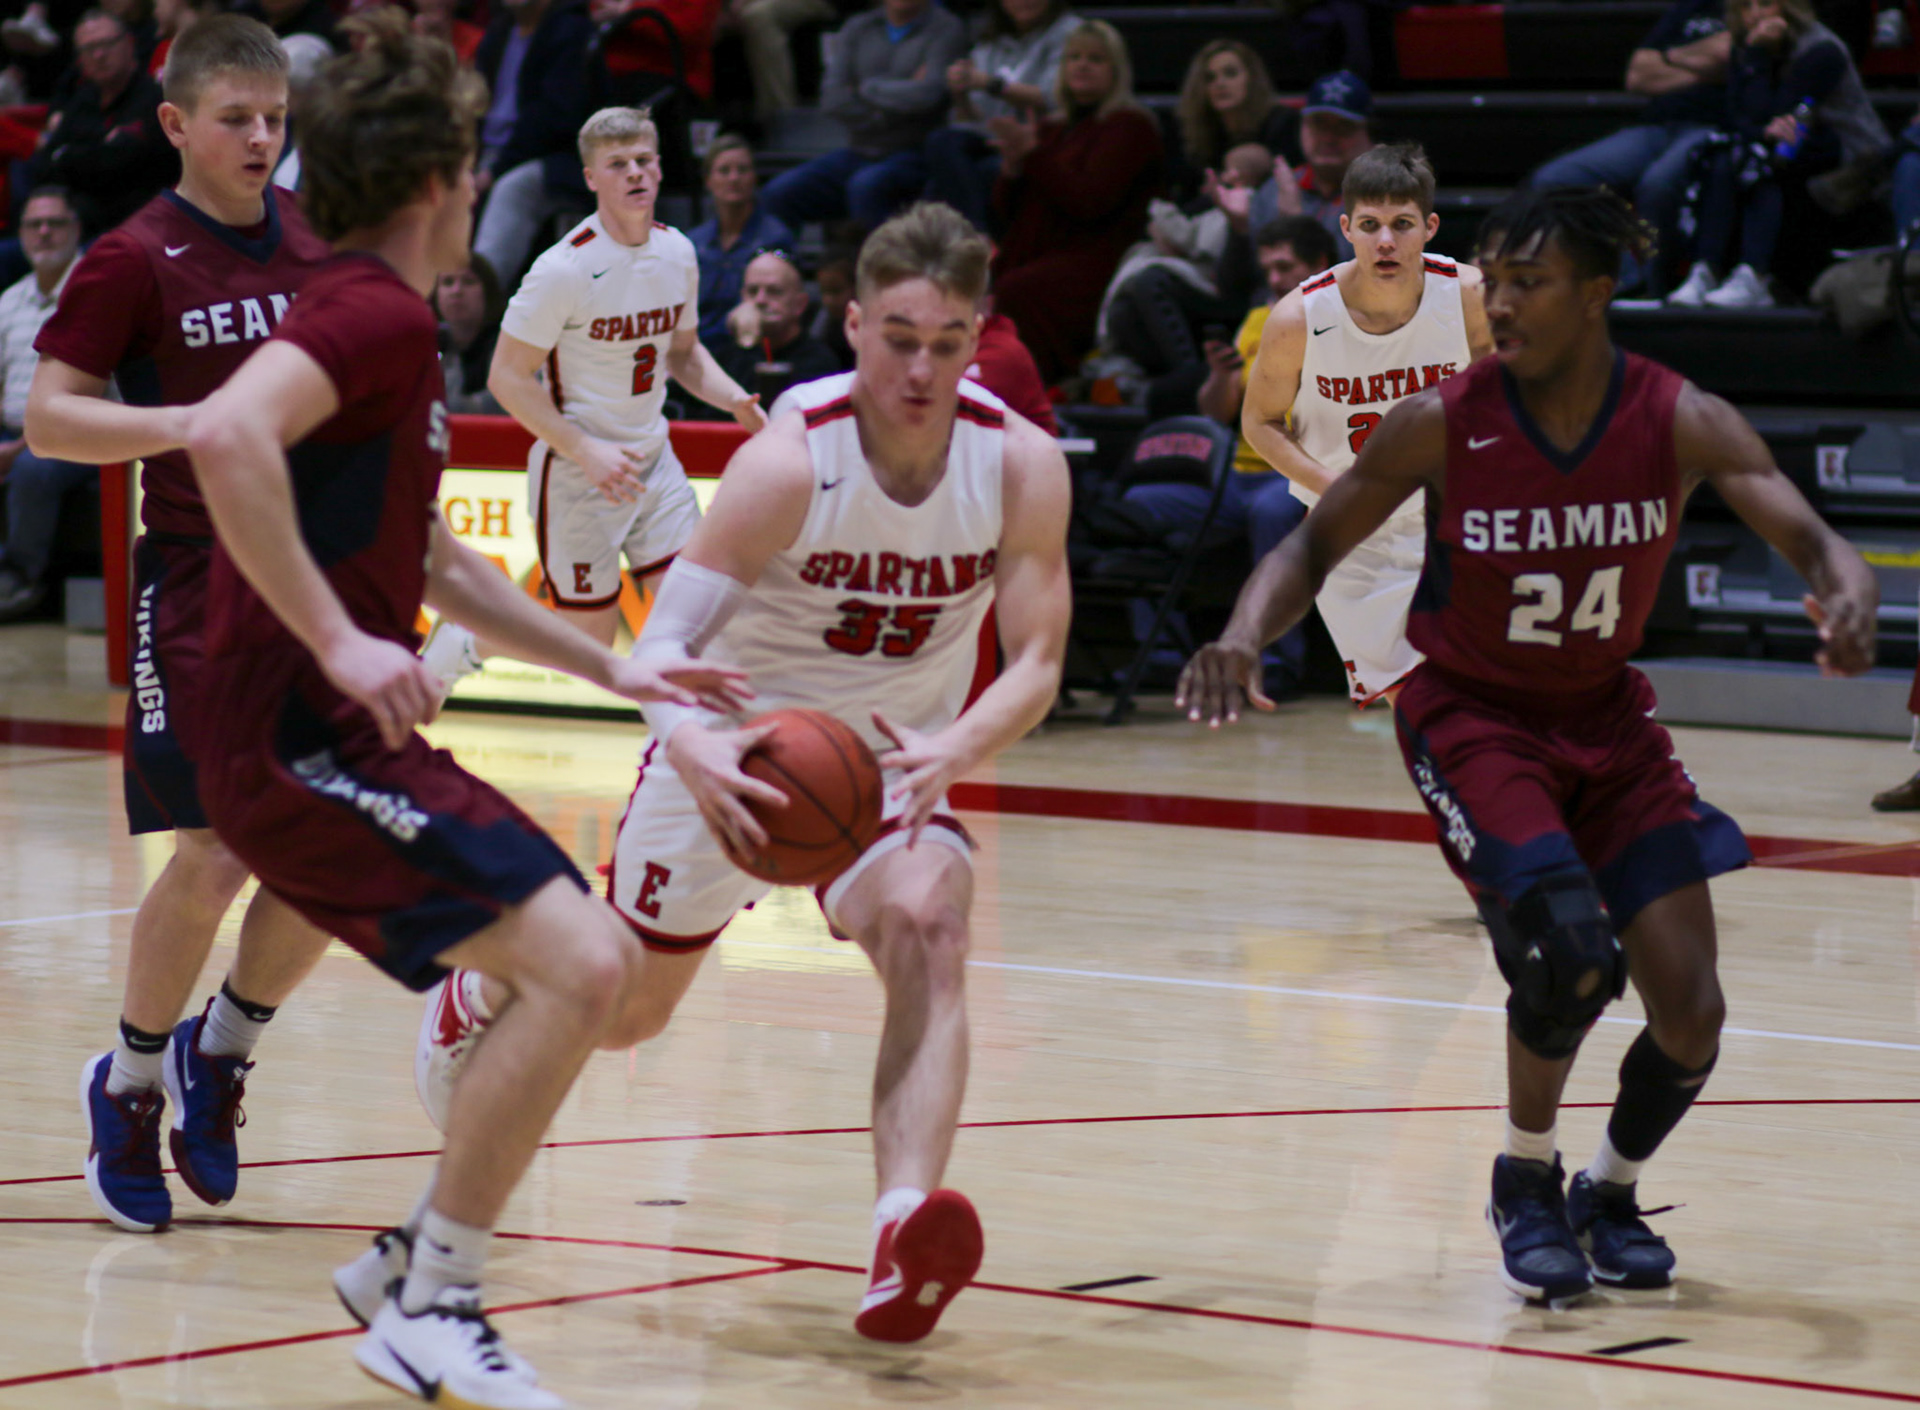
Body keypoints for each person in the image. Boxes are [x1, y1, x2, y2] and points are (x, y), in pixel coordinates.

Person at [180, 17, 746, 1406]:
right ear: (439, 182)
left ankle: (410, 1270)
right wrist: (329, 635)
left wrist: (619, 668)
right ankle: (433, 1294)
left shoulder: (377, 322)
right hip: (294, 737)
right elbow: (224, 434)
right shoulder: (367, 314)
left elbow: (434, 556)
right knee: (588, 965)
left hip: (326, 737)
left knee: (583, 959)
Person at [1180, 185, 1877, 1304]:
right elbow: (1311, 546)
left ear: (1597, 295)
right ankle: (1522, 1176)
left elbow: (1809, 534)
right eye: (1491, 279)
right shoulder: (1443, 419)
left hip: (1608, 721)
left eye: (1528, 281)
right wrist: (1238, 635)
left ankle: (1606, 1190)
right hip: (1474, 717)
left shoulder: (1676, 414)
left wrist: (1845, 600)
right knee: (1567, 950)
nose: (1498, 301)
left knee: (1692, 1012)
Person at [416, 200, 1073, 1346]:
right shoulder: (788, 463)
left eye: (950, 342)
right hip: (734, 750)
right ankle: (479, 991)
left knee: (931, 923)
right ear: (854, 324)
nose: (923, 367)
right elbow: (662, 648)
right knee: (625, 1020)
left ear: (980, 337)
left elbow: (1040, 663)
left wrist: (960, 747)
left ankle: (900, 1228)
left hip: (887, 769)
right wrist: (701, 747)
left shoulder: (1016, 466)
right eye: (902, 337)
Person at [25, 16, 335, 1237]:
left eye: (275, 117)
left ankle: (226, 1051)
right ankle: (132, 1083)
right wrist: (179, 429)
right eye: (236, 119)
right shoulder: (134, 258)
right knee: (212, 851)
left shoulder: (314, 246)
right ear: (175, 126)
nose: (261, 138)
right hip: (201, 589)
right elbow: (49, 418)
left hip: (312, 590)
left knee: (324, 854)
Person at [421, 105, 766, 695]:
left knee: (702, 616)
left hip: (653, 463)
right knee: (588, 641)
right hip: (580, 475)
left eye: (643, 160)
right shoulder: (564, 269)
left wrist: (735, 400)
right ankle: (466, 641)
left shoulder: (679, 252)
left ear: (660, 169)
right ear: (591, 178)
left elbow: (681, 353)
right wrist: (586, 451)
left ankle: (687, 743)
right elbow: (507, 378)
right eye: (617, 164)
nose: (634, 173)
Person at [1240, 144, 1492, 707]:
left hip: (1454, 524)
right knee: (1427, 711)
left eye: (1402, 224)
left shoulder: (1471, 296)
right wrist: (1340, 490)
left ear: (1428, 227)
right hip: (1356, 540)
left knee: (1491, 704)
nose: (1386, 241)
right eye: (1371, 225)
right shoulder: (1299, 317)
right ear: (1346, 228)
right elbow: (1259, 422)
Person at [1115, 213, 1335, 691]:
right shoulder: (1258, 318)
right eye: (1268, 270)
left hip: (1296, 476)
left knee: (1273, 510)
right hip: (1233, 477)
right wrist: (1219, 375)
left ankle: (1277, 665)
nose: (1274, 280)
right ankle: (1160, 653)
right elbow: (1217, 413)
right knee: (1140, 507)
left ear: (1319, 264)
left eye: (1284, 267)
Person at [1669, 0, 1889, 309]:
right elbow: (1737, 116)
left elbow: (1771, 111)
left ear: (1789, 7)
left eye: (1766, 3)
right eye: (1746, 6)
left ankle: (1754, 276)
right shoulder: (1744, 47)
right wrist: (1760, 128)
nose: (1756, 14)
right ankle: (1706, 270)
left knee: (1765, 161)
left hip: (1850, 160)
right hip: (1790, 145)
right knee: (1724, 157)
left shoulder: (1822, 50)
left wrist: (1757, 56)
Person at [989, 17, 1163, 384]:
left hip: (1096, 259)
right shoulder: (1051, 128)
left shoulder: (1131, 126)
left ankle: (1039, 390)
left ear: (1115, 71)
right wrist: (1012, 169)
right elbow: (1006, 214)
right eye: (1074, 57)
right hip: (1040, 252)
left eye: (1096, 59)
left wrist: (1033, 156)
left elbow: (1090, 202)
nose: (1082, 65)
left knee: (1019, 290)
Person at [1531, 0, 1730, 296]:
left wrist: (1670, 60)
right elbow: (1638, 75)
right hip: (1658, 127)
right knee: (1555, 180)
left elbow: (1731, 58)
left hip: (1716, 127)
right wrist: (1706, 67)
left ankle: (1653, 287)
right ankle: (1627, 277)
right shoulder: (1690, 8)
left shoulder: (1756, 10)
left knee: (1658, 184)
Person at [759, 0, 966, 233]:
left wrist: (865, 88)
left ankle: (882, 268)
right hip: (860, 150)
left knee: (867, 186)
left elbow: (928, 95)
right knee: (778, 193)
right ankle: (777, 266)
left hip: (916, 153)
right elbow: (832, 99)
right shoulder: (858, 27)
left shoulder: (946, 28)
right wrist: (896, 101)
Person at [0, 185, 91, 621]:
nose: (44, 233)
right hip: (12, 432)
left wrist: (16, 450)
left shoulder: (97, 292)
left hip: (80, 434)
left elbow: (88, 395)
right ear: (20, 234)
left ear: (75, 230)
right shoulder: (9, 300)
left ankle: (21, 579)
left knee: (31, 467)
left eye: (54, 223)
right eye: (34, 225)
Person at [923, 0, 1076, 233]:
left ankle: (975, 240)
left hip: (1041, 140)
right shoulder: (990, 39)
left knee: (969, 178)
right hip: (992, 136)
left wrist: (993, 85)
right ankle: (976, 237)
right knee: (941, 142)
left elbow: (1053, 98)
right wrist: (960, 94)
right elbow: (970, 120)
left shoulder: (1070, 32)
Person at [469, 0, 593, 285]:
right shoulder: (497, 33)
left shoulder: (569, 30)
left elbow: (551, 118)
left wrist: (494, 170)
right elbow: (473, 107)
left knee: (511, 189)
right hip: (488, 152)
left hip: (554, 157)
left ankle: (477, 301)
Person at [29, 9, 177, 233]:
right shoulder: (81, 102)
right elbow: (45, 165)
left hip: (140, 226)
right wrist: (98, 151)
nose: (99, 55)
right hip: (76, 227)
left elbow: (126, 166)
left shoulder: (154, 100)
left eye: (107, 44)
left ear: (129, 44)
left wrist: (68, 156)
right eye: (89, 49)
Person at [1244, 69, 1377, 264]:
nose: (1328, 138)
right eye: (1318, 125)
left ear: (1368, 136)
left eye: (1343, 127)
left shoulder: (1385, 198)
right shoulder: (1274, 191)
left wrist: (1297, 225)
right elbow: (1241, 284)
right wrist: (1238, 232)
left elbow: (1354, 277)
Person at [696, 247, 840, 414]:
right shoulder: (726, 360)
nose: (760, 300)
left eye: (774, 291)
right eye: (752, 291)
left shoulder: (820, 362)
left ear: (800, 304)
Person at [688, 133, 794, 346]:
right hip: (694, 347)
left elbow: (777, 308)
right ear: (708, 180)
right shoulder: (693, 242)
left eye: (742, 170)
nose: (734, 178)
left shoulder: (775, 237)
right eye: (724, 171)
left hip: (749, 345)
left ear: (754, 177)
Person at [1170, 38, 1299, 204]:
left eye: (1230, 73)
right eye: (1210, 78)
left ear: (1251, 79)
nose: (1220, 83)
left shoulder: (1282, 123)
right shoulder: (1196, 134)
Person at [433, 251, 504, 415]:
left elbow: (504, 403)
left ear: (488, 291)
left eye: (468, 281)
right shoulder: (428, 340)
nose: (456, 291)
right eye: (448, 282)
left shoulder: (508, 341)